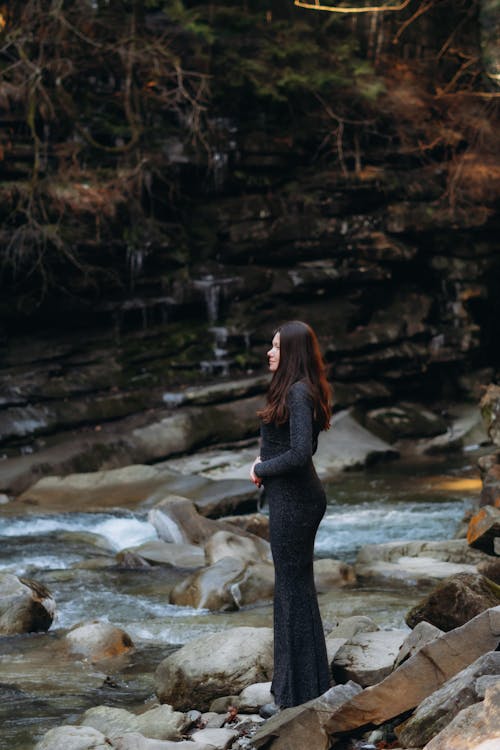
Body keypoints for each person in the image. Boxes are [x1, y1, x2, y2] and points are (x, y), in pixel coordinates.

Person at [250, 320, 331, 716]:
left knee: (291, 591)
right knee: (293, 590)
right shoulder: (296, 391)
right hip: (291, 499)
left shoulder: (299, 393)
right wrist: (263, 462)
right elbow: (292, 446)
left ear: (293, 354)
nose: (270, 352)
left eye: (277, 347)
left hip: (296, 502)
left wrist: (262, 469)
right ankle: (306, 686)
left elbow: (301, 453)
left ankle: (292, 695)